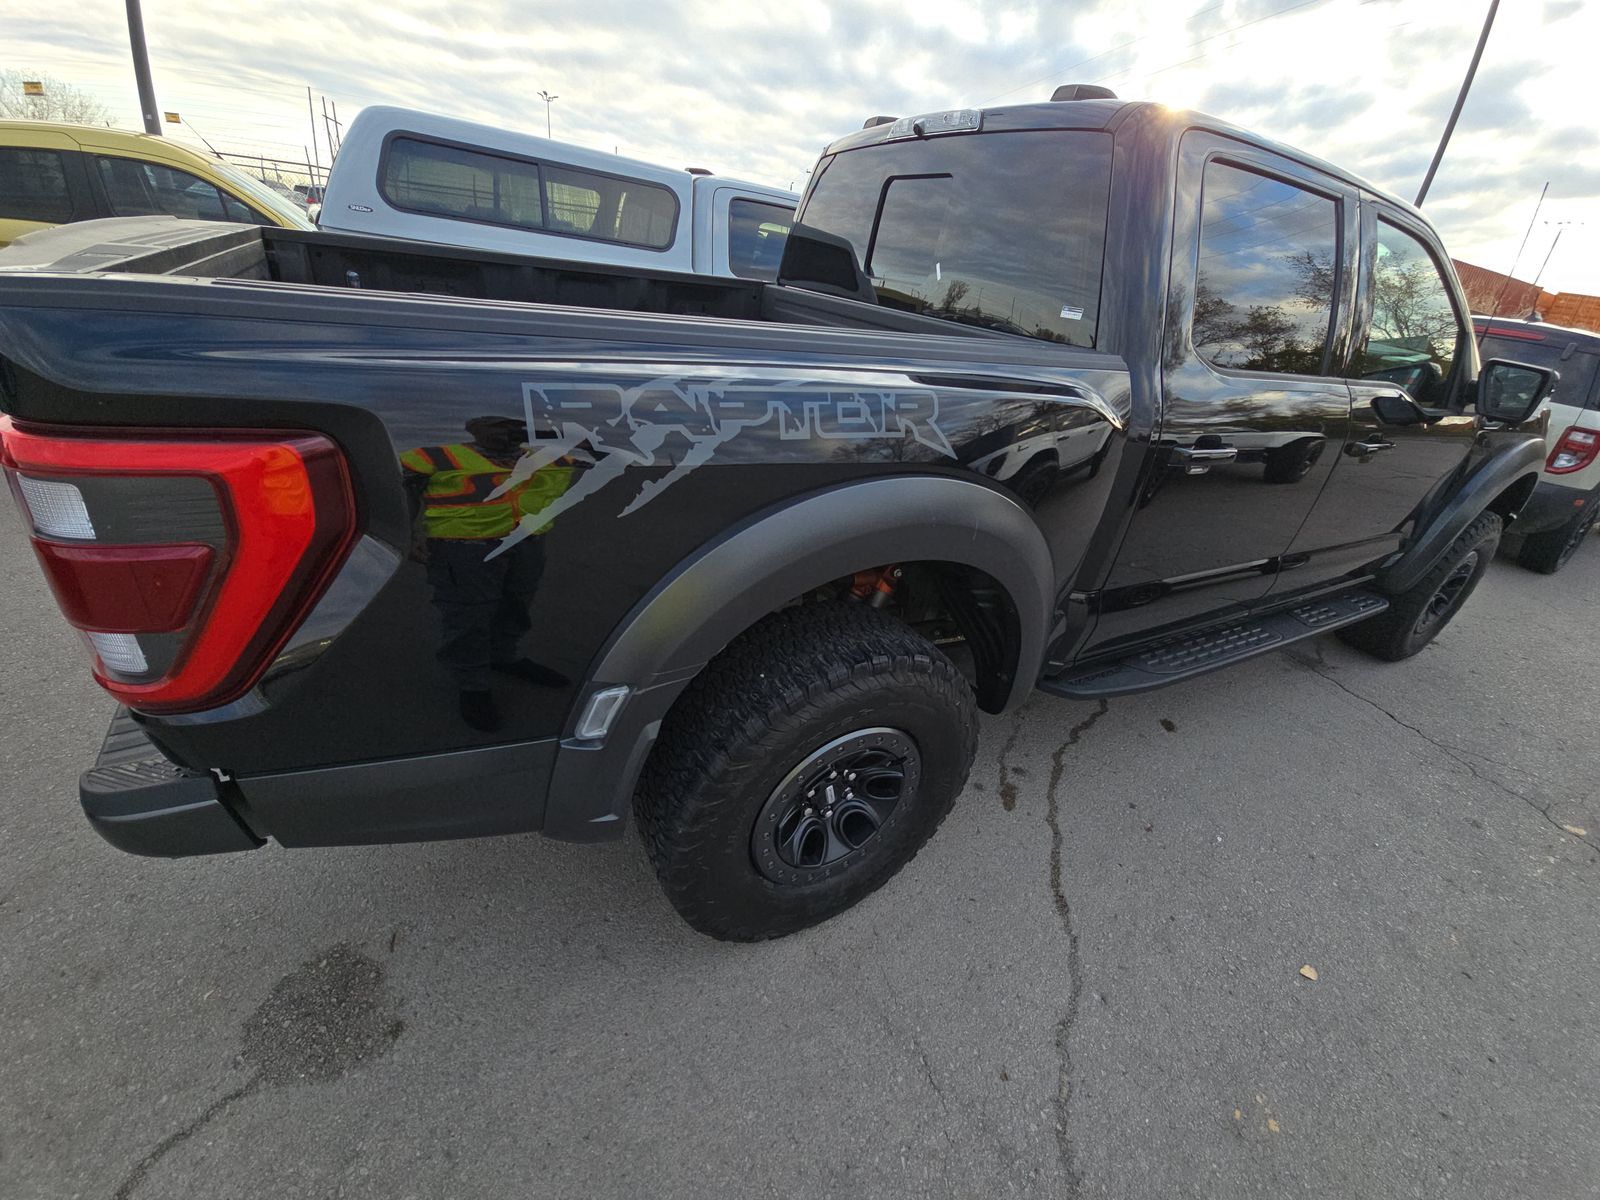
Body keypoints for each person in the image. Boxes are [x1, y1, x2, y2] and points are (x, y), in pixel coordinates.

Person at [401, 416, 575, 731]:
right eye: (493, 426)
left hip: (527, 542)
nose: (502, 433)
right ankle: (472, 685)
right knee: (468, 615)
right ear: (473, 430)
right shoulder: (437, 456)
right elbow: (403, 491)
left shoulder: (548, 455)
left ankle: (504, 657)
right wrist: (409, 534)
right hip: (464, 547)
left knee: (517, 603)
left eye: (510, 426)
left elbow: (600, 456)